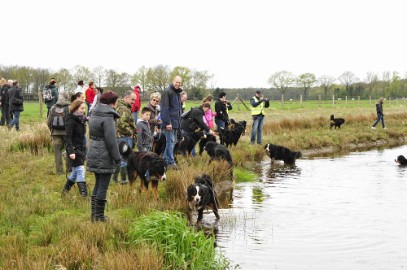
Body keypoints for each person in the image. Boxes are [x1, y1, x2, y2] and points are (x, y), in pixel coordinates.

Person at [87, 90, 121, 222]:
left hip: (94, 151)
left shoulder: (94, 113)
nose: (117, 104)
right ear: (112, 103)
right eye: (116, 102)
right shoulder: (108, 117)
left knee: (98, 184)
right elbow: (111, 141)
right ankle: (99, 216)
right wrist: (117, 158)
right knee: (103, 186)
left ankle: (94, 215)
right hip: (104, 154)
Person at [61, 99, 88, 197]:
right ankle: (84, 195)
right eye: (81, 108)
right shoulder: (71, 120)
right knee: (80, 170)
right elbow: (67, 137)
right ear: (75, 108)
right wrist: (71, 151)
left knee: (76, 172)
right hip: (74, 149)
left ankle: (64, 191)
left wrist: (86, 119)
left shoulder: (80, 119)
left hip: (81, 148)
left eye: (84, 108)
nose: (83, 110)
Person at [112, 90, 137, 184]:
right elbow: (121, 124)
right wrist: (131, 132)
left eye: (134, 100)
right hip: (124, 137)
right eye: (132, 99)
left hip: (121, 137)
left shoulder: (122, 107)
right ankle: (123, 179)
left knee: (120, 157)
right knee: (125, 158)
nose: (133, 102)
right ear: (126, 98)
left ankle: (114, 178)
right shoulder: (123, 109)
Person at [160, 76, 183, 168]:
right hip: (170, 122)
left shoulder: (177, 93)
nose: (178, 84)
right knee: (170, 142)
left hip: (176, 121)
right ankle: (170, 162)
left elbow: (178, 109)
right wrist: (168, 122)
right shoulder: (167, 92)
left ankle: (165, 160)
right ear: (173, 81)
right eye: (176, 82)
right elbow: (165, 108)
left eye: (179, 82)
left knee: (172, 142)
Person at [47, 92, 71, 175]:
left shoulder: (53, 108)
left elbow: (48, 122)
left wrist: (52, 130)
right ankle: (69, 170)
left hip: (55, 133)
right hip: (67, 133)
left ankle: (59, 172)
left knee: (57, 153)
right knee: (69, 151)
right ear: (66, 98)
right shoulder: (69, 108)